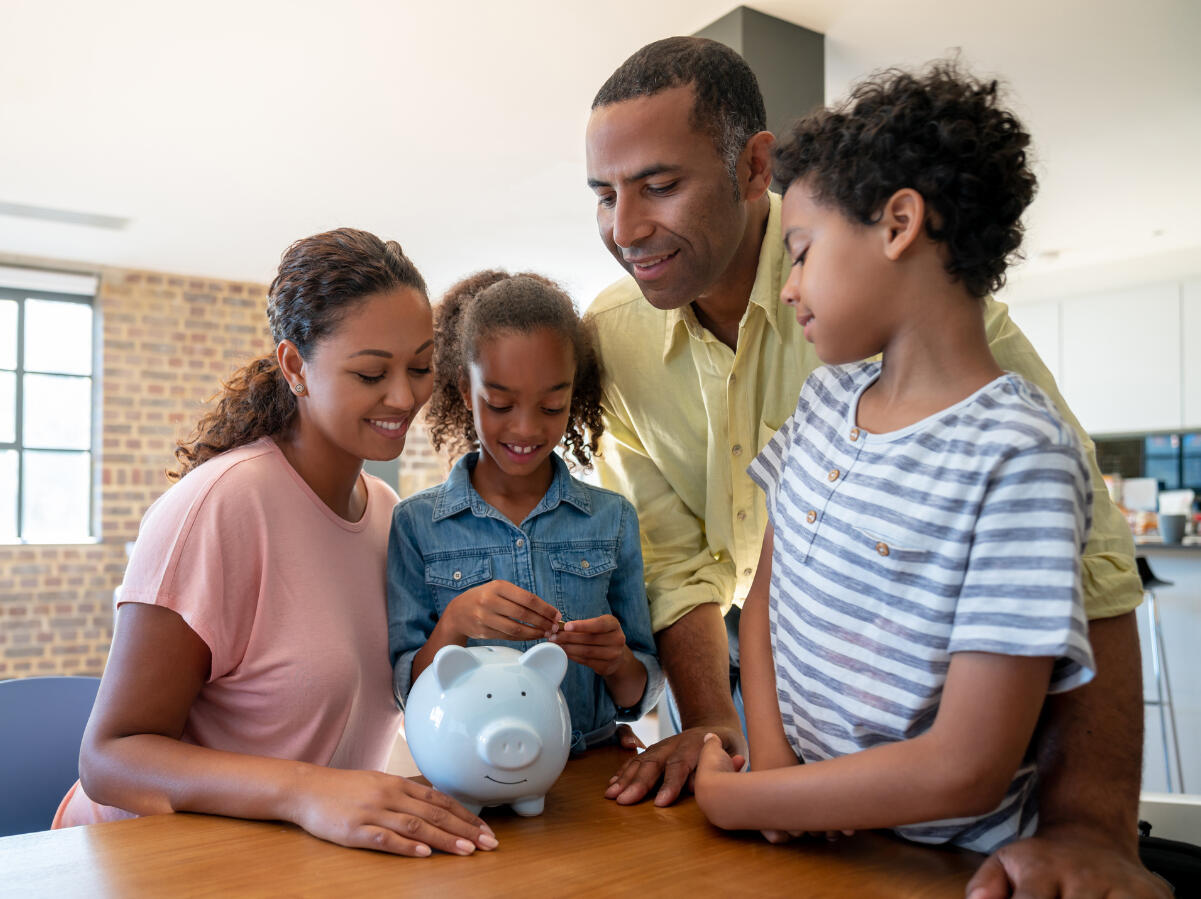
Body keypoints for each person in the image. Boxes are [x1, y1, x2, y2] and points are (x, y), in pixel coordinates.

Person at [584, 36, 1164, 896]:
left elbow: (1096, 573)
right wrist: (729, 735)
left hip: (954, 840)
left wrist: (1093, 826)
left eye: (659, 185)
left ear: (753, 169)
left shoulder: (991, 404)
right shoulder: (625, 344)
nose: (623, 227)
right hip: (800, 798)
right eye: (603, 194)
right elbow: (687, 567)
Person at [691, 61, 1096, 853]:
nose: (787, 288)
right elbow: (766, 597)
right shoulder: (822, 401)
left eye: (801, 252)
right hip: (806, 835)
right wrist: (771, 769)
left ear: (897, 223)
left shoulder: (1019, 457)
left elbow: (965, 767)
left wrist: (738, 802)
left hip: (938, 862)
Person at [54, 229, 498, 859]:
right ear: (295, 367)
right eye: (372, 372)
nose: (404, 397)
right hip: (139, 863)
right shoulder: (223, 506)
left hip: (283, 863)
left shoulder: (390, 516)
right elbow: (111, 758)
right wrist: (308, 792)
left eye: (421, 367)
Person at [387, 270, 662, 754]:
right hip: (472, 777)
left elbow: (637, 697)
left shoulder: (612, 519)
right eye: (499, 403)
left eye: (552, 406)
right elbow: (407, 694)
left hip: (591, 776)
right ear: (463, 389)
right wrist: (454, 622)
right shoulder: (415, 526)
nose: (526, 427)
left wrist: (617, 661)